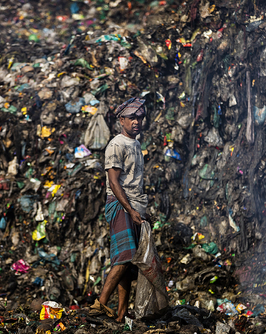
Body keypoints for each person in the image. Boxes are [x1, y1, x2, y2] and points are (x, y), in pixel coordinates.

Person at [89, 97, 148, 323]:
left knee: (129, 262)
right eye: (132, 118)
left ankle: (121, 314)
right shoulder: (116, 144)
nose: (136, 122)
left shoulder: (136, 144)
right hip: (120, 204)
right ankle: (100, 304)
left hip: (134, 205)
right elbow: (114, 182)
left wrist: (141, 208)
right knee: (124, 257)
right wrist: (130, 209)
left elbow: (134, 180)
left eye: (139, 118)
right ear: (121, 119)